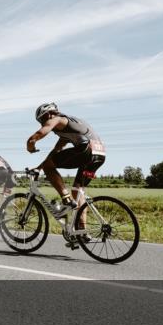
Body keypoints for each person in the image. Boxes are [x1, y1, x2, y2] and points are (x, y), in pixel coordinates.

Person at [26, 102, 106, 240]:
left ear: (49, 114)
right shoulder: (68, 129)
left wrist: (30, 143)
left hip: (86, 150)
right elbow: (56, 151)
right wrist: (39, 167)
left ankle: (65, 198)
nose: (43, 123)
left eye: (43, 120)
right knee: (78, 190)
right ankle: (82, 231)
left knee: (51, 170)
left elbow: (40, 133)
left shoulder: (57, 118)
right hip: (99, 155)